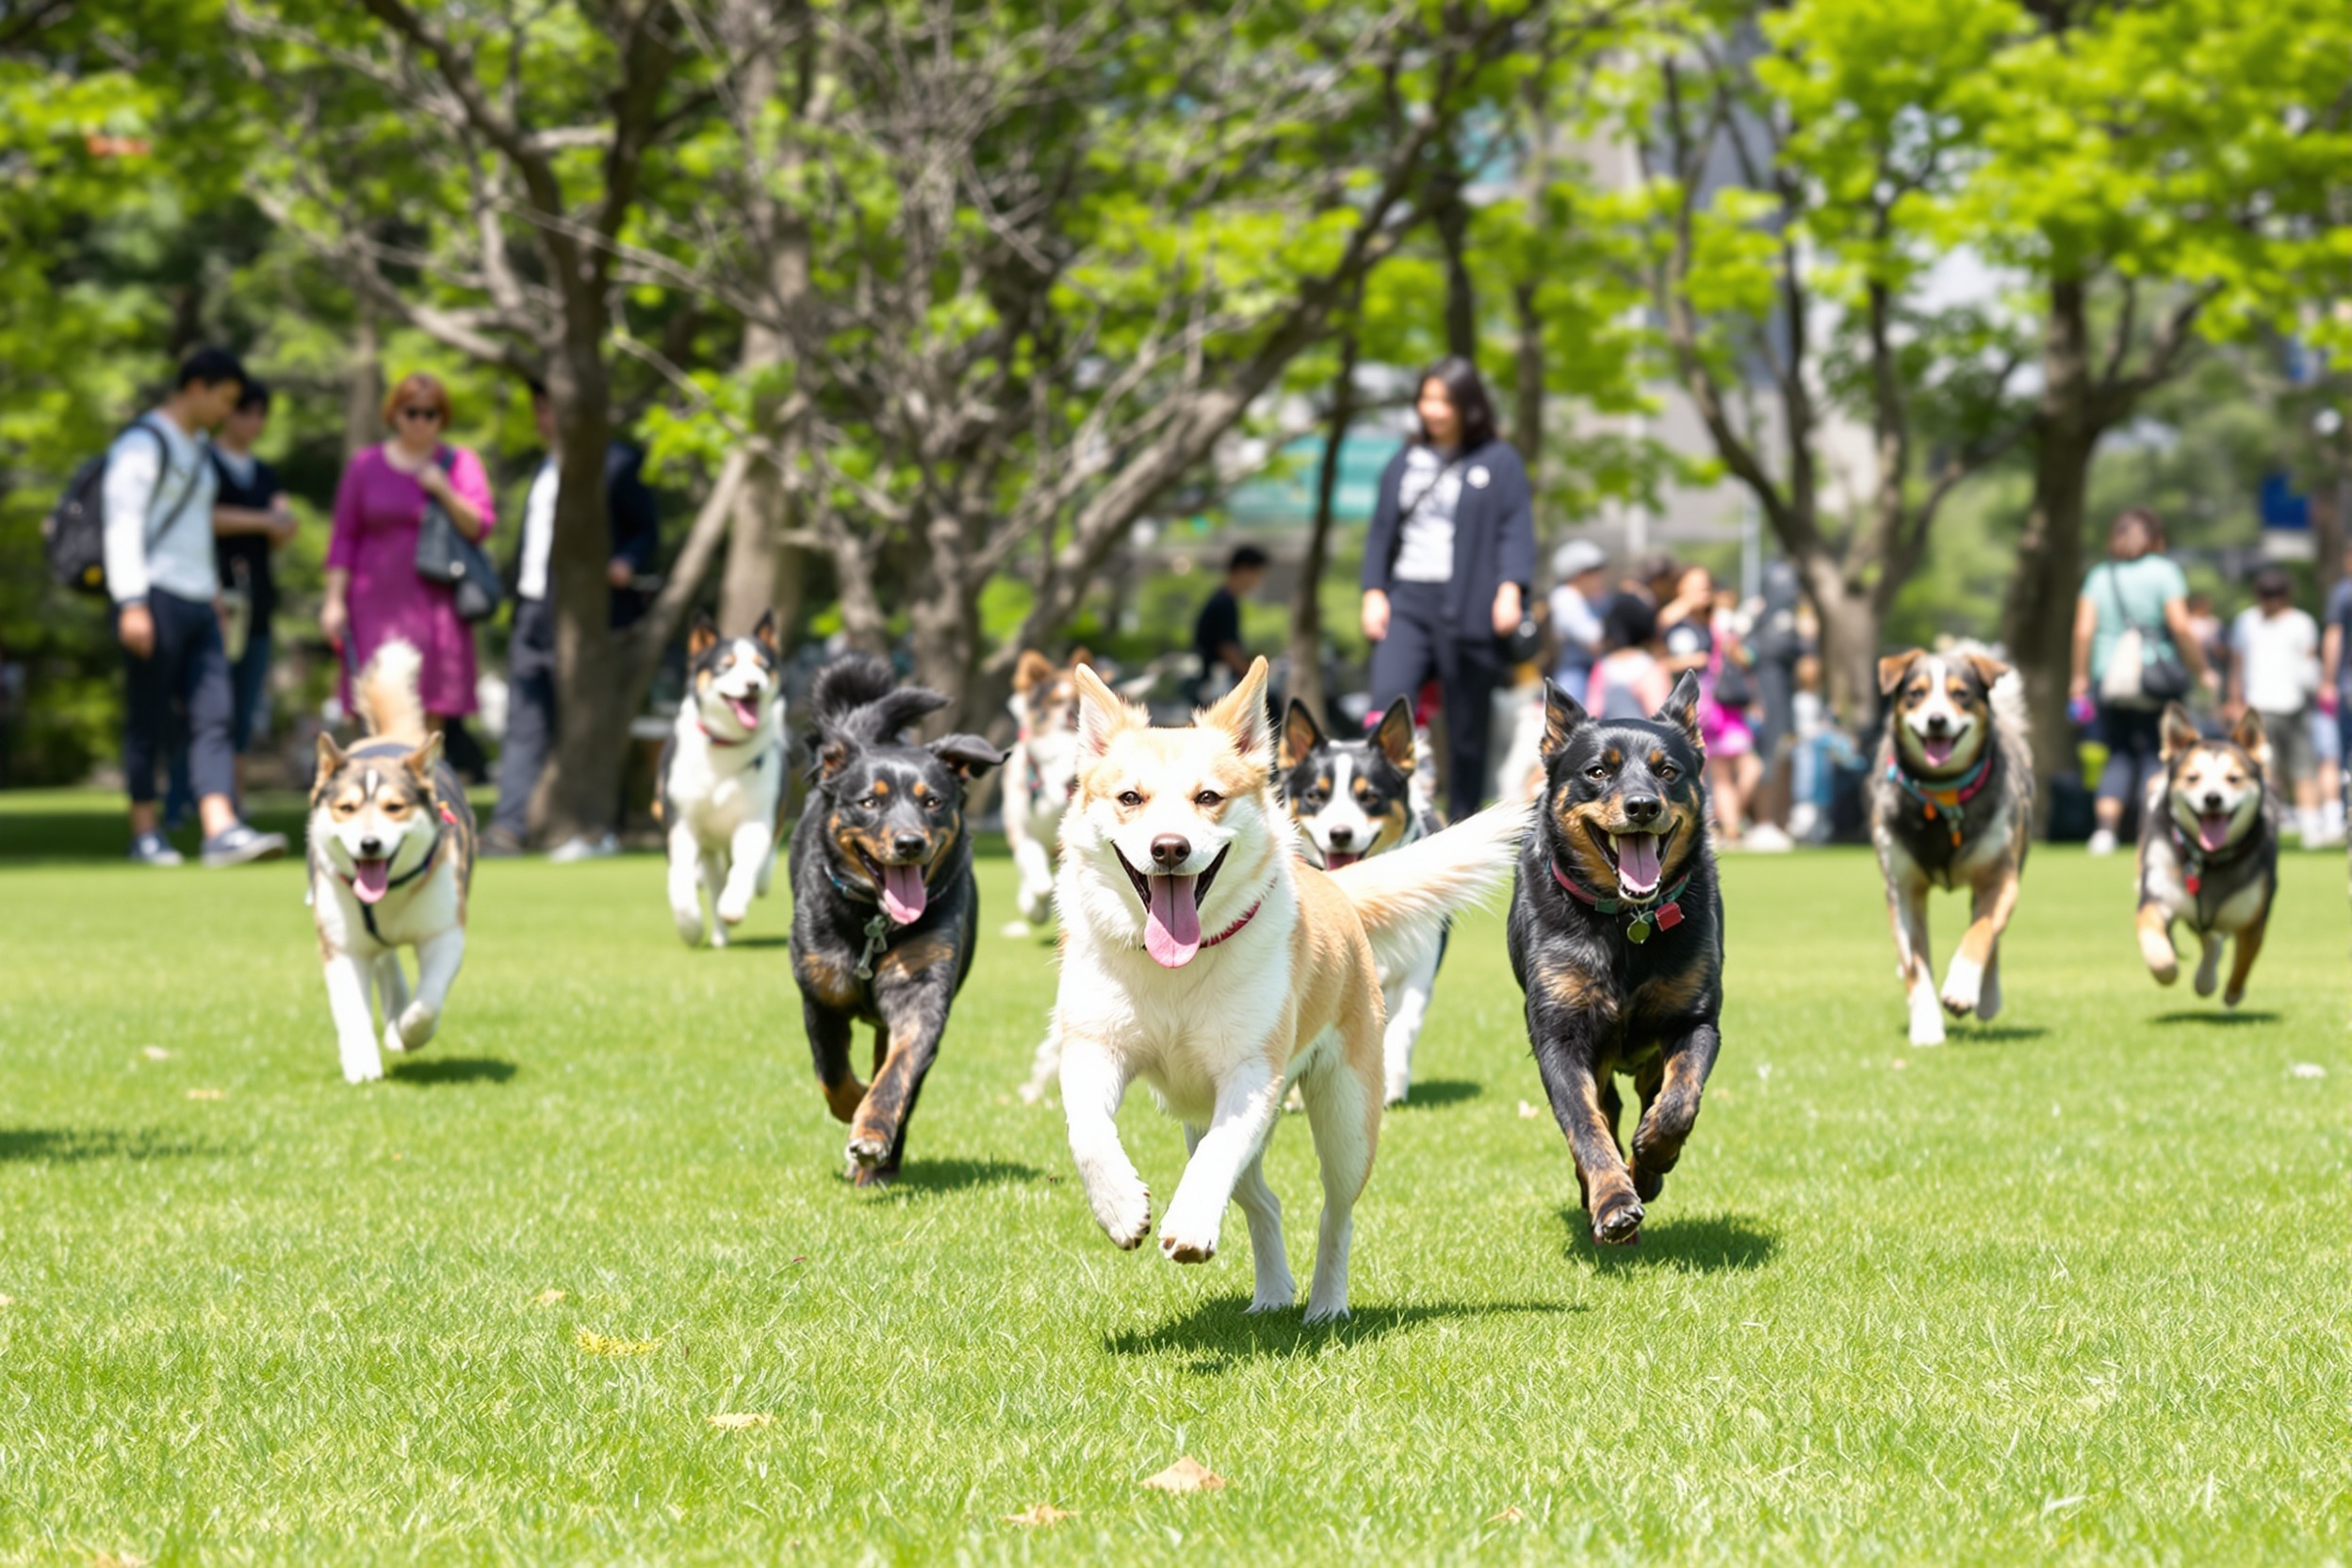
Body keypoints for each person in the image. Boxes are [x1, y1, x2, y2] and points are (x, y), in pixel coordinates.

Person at [106, 347, 287, 868]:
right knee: (149, 717)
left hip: (200, 598)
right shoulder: (143, 444)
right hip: (152, 594)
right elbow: (122, 526)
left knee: (216, 714)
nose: (228, 412)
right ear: (196, 388)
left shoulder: (199, 449)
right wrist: (131, 602)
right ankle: (144, 831)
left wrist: (212, 594)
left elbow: (194, 534)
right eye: (225, 399)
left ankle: (219, 828)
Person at [485, 382, 663, 859]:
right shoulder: (542, 468)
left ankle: (590, 826)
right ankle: (509, 828)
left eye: (555, 409)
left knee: (583, 724)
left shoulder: (618, 462)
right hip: (532, 608)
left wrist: (625, 560)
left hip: (588, 617)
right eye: (541, 409)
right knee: (524, 719)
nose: (548, 419)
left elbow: (646, 527)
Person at [1360, 356, 1536, 822]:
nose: (1432, 409)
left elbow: (1515, 529)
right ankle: (1390, 812)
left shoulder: (1498, 460)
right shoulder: (1404, 460)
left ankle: (1462, 822)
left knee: (1466, 728)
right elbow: (1381, 531)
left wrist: (1510, 589)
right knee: (1389, 698)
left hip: (1472, 604)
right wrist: (1373, 591)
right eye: (1426, 398)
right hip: (1408, 599)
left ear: (1468, 405)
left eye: (1444, 400)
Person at [321, 371, 497, 734]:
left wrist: (445, 490)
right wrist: (333, 601)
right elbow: (344, 538)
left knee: (431, 706)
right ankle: (381, 785)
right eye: (411, 411)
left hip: (437, 601)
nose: (420, 421)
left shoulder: (460, 463)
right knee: (376, 699)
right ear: (394, 414)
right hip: (374, 600)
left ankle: (423, 789)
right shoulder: (364, 466)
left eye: (429, 413)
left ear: (442, 418)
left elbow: (480, 526)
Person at [2069, 507, 2208, 856]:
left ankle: (2104, 832)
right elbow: (2180, 625)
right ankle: (2152, 827)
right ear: (2156, 538)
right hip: (2154, 678)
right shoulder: (2164, 572)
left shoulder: (2100, 575)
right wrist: (2201, 667)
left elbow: (2083, 630)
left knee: (2117, 754)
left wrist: (2080, 678)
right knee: (2155, 753)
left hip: (2110, 679)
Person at [2230, 566, 2323, 843]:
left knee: (2292, 768)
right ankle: (2288, 825)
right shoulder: (2297, 622)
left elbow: (2236, 667)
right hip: (2263, 707)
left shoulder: (2250, 621)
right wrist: (2235, 701)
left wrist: (2234, 701)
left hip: (2284, 704)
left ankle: (2306, 825)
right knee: (2273, 770)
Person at [1191, 545, 1268, 707]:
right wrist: (1250, 676)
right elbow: (1226, 647)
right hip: (1217, 682)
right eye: (1258, 574)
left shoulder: (1221, 599)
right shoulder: (1224, 602)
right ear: (1243, 570)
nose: (1258, 580)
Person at [1586, 594, 1672, 721]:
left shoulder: (1603, 667)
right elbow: (1660, 715)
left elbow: (1592, 713)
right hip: (1642, 738)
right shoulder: (1650, 667)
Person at [1547, 539, 1608, 698]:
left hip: (1593, 671)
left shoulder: (1587, 599)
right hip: (1576, 674)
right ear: (1578, 574)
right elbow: (1594, 641)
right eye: (1593, 571)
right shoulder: (1565, 598)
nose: (1599, 577)